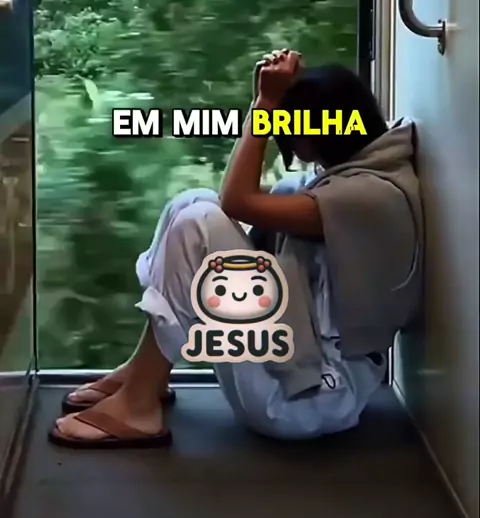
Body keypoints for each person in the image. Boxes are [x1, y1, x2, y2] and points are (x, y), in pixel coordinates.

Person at [49, 51, 423, 448]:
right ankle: (146, 375)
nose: (284, 131)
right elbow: (238, 200)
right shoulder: (354, 175)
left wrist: (265, 103)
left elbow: (238, 200)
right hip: (297, 356)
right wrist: (277, 98)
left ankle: (138, 407)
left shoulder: (366, 197)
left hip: (311, 397)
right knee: (192, 203)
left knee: (198, 225)